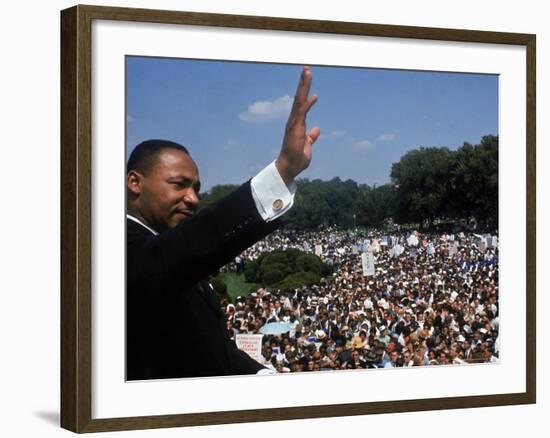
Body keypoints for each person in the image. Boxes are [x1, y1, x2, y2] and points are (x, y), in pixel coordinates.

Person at [126, 67, 320, 380]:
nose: (192, 198)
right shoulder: (119, 249)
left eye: (197, 189)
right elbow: (197, 239)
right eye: (179, 184)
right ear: (135, 182)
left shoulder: (175, 261)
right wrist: (283, 170)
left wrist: (267, 377)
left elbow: (212, 348)